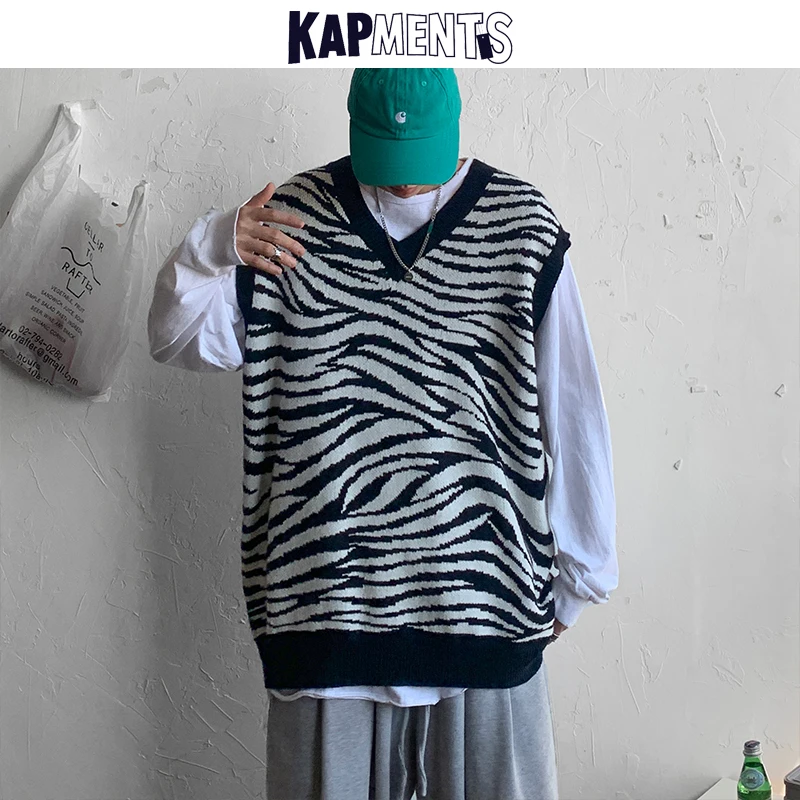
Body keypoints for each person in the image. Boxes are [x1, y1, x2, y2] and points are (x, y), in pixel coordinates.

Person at [147, 67, 617, 800]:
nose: (403, 182)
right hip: (324, 615)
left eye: (419, 158)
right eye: (387, 158)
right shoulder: (289, 224)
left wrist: (580, 578)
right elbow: (176, 340)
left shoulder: (521, 228)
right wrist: (215, 244)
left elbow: (575, 408)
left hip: (484, 612)